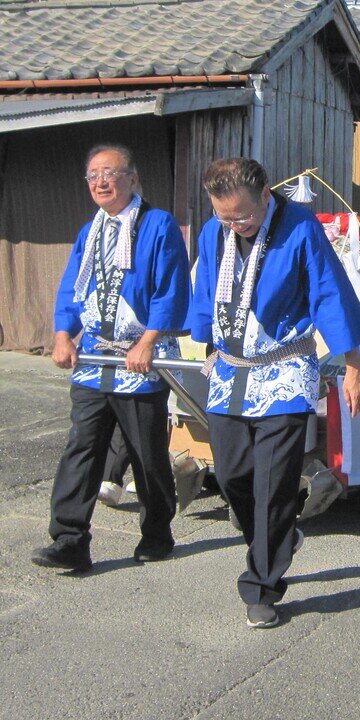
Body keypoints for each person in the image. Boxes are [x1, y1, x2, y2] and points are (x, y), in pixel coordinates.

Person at [188, 157, 360, 629]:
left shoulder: (300, 228)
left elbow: (331, 294)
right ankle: (279, 537)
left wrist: (354, 366)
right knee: (232, 475)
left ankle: (262, 586)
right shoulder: (213, 233)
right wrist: (201, 335)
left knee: (273, 484)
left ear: (266, 194)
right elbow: (206, 290)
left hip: (284, 370)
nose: (235, 225)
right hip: (231, 370)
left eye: (243, 216)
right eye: (225, 217)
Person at [33, 143, 191, 572]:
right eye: (93, 175)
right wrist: (63, 334)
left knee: (146, 452)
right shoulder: (91, 230)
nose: (100, 182)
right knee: (81, 449)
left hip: (140, 356)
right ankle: (69, 540)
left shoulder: (157, 224)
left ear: (133, 179)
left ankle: (157, 532)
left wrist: (149, 340)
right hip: (94, 357)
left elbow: (171, 287)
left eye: (110, 173)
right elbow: (73, 287)